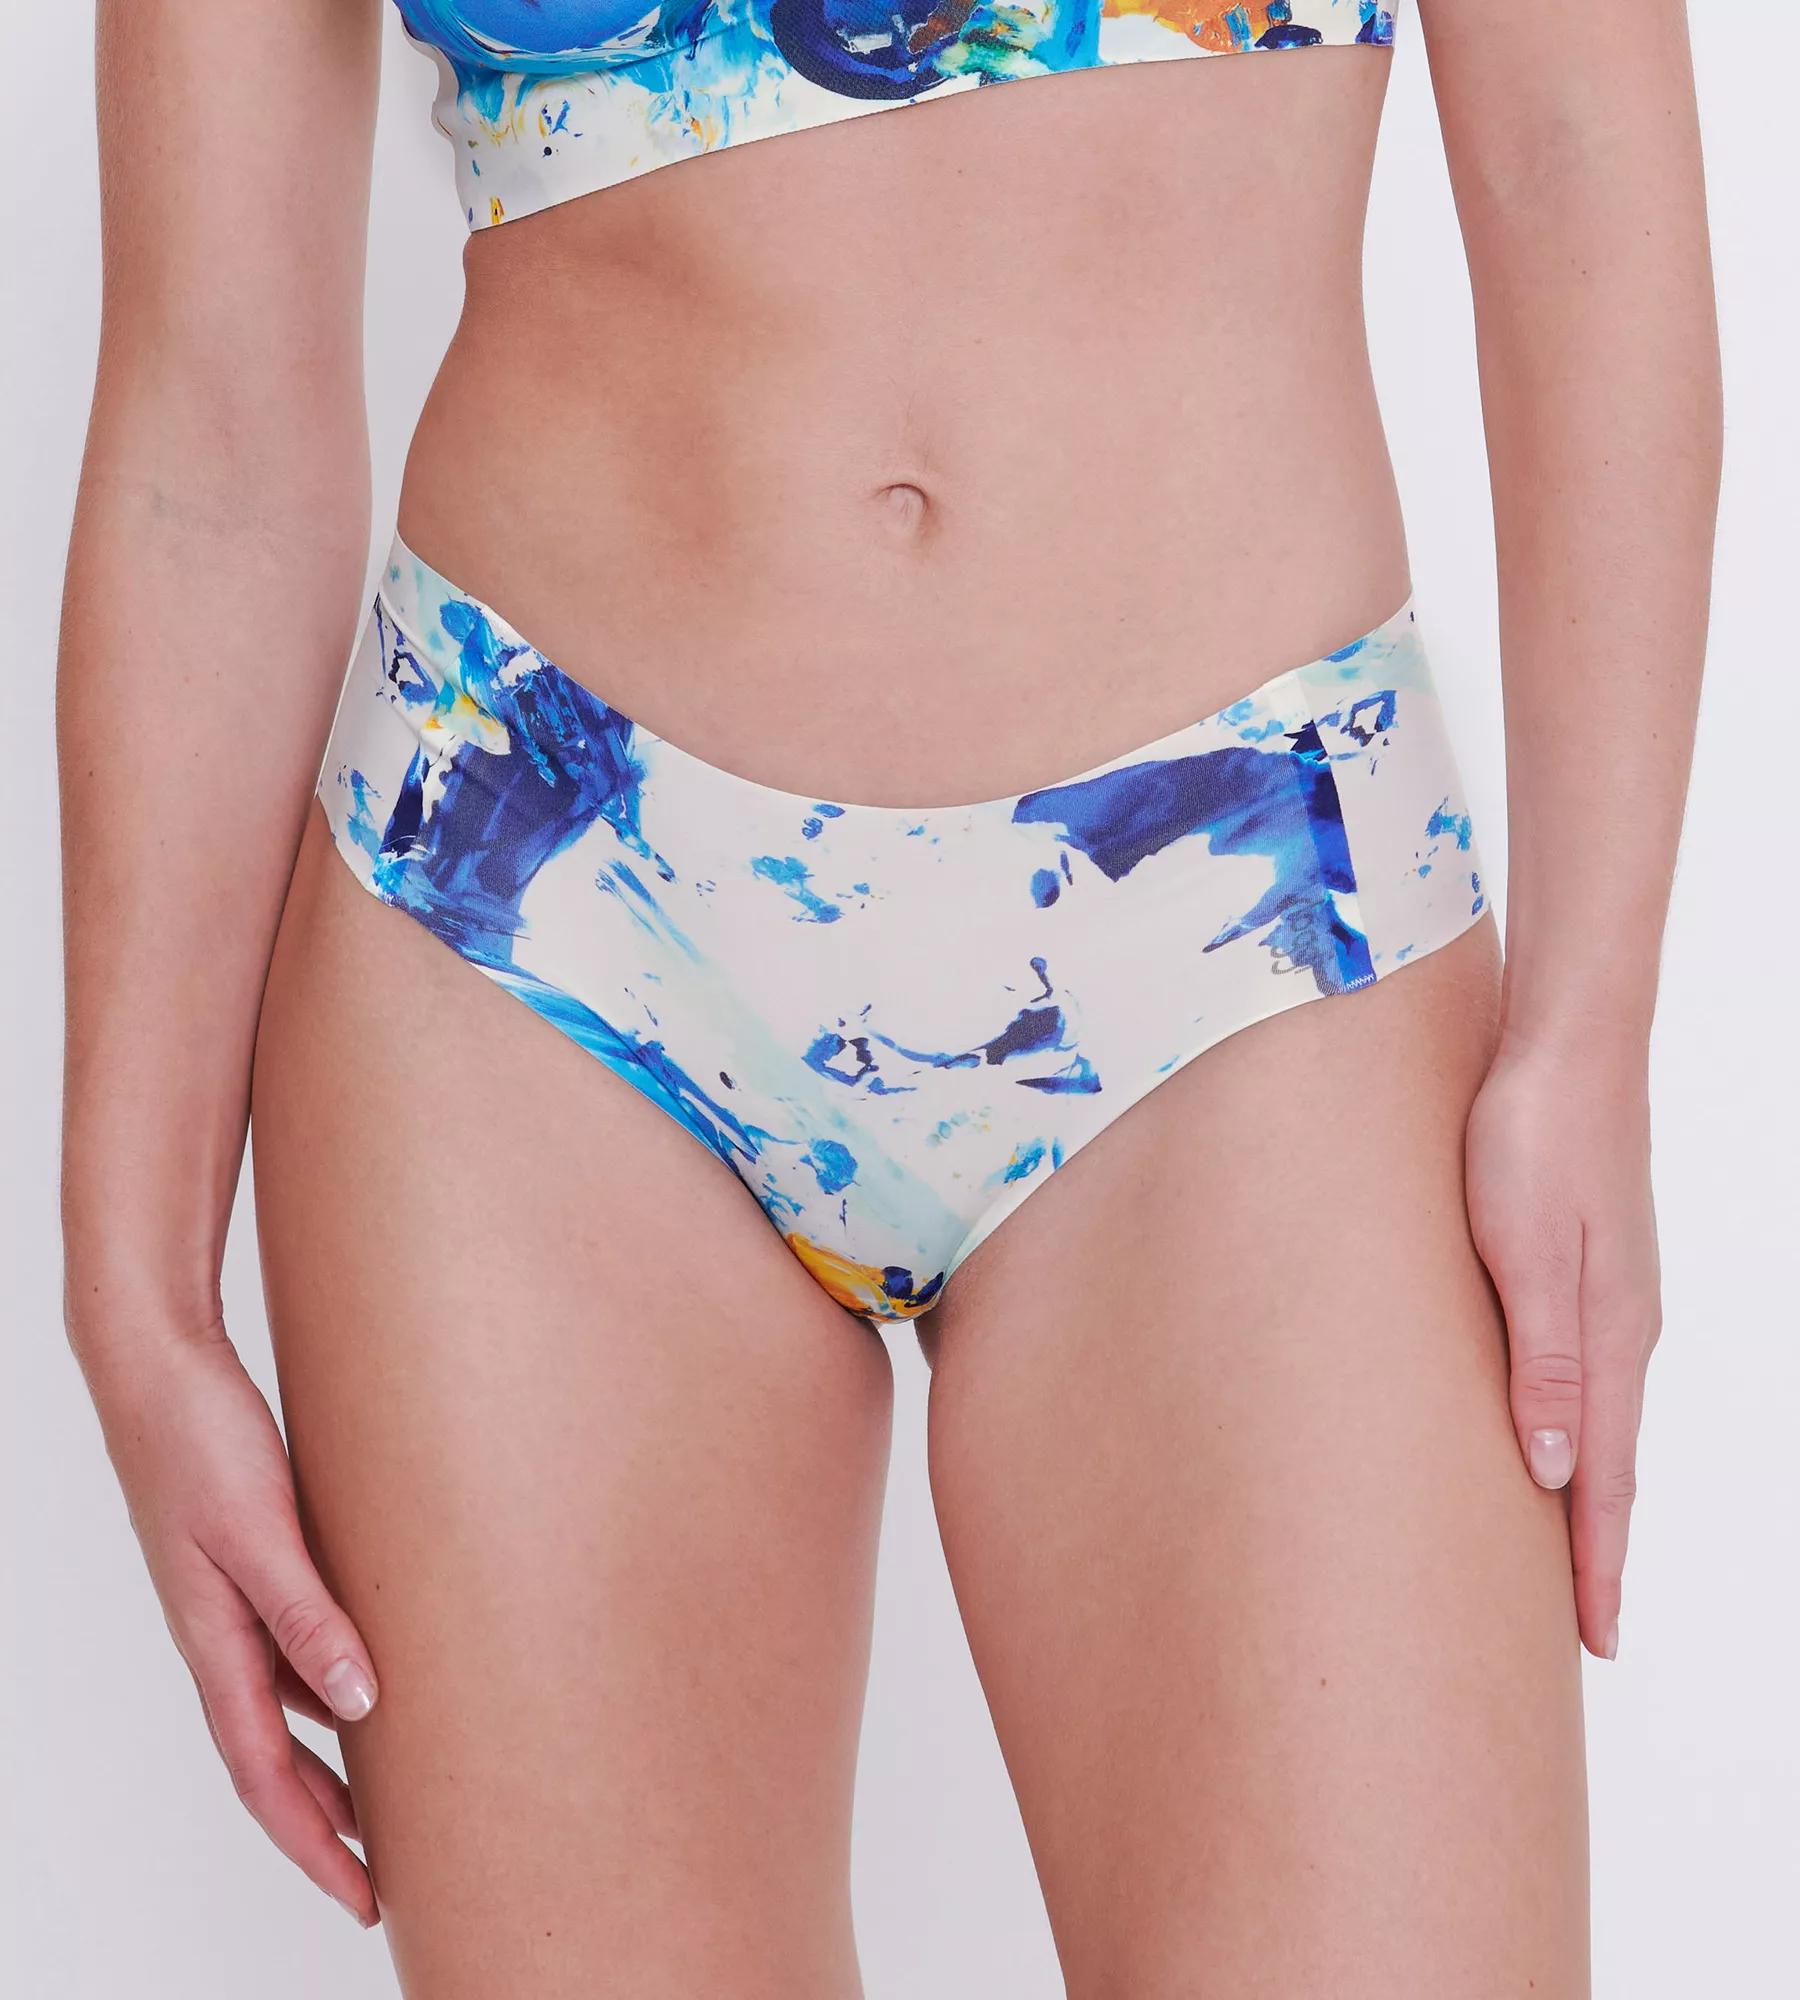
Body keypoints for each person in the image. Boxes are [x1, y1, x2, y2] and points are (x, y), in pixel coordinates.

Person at [57, 1, 1719, 1992]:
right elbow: (211, 430)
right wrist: (135, 1288)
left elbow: (1575, 162)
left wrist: (1590, 1029)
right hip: (533, 926)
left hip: (1254, 917)